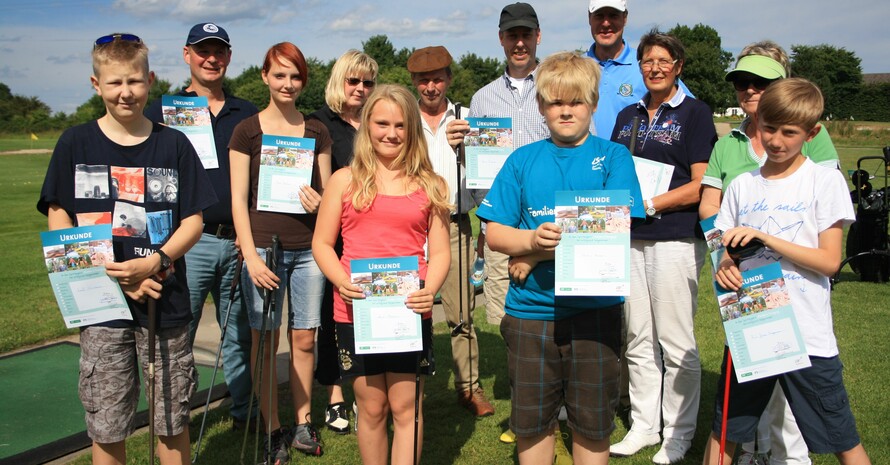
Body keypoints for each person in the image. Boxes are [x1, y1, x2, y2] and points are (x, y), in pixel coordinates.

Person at [38, 33, 216, 465]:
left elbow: (194, 219)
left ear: (150, 80)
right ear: (96, 84)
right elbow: (59, 213)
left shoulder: (173, 144)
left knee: (171, 421)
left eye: (135, 81)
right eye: (115, 82)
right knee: (108, 423)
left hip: (165, 300)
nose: (126, 92)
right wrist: (110, 274)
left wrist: (156, 261)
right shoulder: (75, 142)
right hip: (100, 305)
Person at [476, 50, 644, 465]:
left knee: (592, 425)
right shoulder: (522, 160)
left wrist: (532, 256)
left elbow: (610, 230)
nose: (566, 111)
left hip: (596, 311)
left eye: (576, 102)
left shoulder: (615, 158)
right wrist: (531, 241)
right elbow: (495, 234)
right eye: (556, 102)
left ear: (593, 104)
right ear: (541, 105)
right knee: (532, 425)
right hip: (531, 313)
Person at [704, 77, 872, 465]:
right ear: (757, 123)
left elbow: (830, 261)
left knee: (841, 435)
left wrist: (766, 239)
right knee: (725, 431)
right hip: (751, 326)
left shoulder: (824, 181)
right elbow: (723, 247)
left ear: (811, 133)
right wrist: (726, 264)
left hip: (808, 336)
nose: (777, 140)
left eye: (789, 132)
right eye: (769, 128)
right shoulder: (743, 185)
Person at [312, 84, 450, 465]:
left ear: (413, 130)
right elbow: (322, 244)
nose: (391, 133)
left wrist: (431, 289)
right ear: (366, 125)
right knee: (371, 409)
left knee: (407, 408)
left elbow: (440, 253)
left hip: (408, 310)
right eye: (382, 123)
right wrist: (339, 280)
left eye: (401, 125)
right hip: (356, 313)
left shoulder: (431, 184)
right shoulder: (343, 180)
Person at [609, 30, 717, 464]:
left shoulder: (695, 113)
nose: (654, 68)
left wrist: (650, 203)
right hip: (630, 238)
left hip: (673, 237)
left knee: (676, 342)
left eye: (663, 61)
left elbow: (701, 184)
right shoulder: (626, 116)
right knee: (637, 337)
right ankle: (644, 425)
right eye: (647, 61)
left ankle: (678, 432)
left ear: (678, 67)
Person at [145, 22, 259, 433]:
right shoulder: (163, 111)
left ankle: (245, 413)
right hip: (190, 242)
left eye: (219, 51)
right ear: (187, 55)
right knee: (179, 335)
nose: (212, 58)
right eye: (202, 51)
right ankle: (172, 419)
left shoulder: (246, 111)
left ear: (229, 56)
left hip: (240, 240)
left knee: (240, 335)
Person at [230, 42, 332, 464]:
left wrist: (320, 202)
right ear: (265, 77)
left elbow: (330, 197)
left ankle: (304, 422)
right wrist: (250, 257)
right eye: (280, 75)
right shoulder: (247, 131)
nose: (288, 83)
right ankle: (273, 428)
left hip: (308, 250)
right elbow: (238, 200)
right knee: (265, 341)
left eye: (295, 76)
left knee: (305, 337)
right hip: (262, 251)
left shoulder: (316, 130)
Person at [447, 1, 549, 328]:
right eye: (512, 35)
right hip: (501, 225)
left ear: (538, 36)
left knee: (549, 314)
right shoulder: (482, 98)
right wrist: (487, 217)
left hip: (545, 222)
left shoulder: (557, 87)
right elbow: (476, 168)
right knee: (505, 317)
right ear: (501, 39)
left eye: (526, 34)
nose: (519, 42)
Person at [406, 45, 495, 417]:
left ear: (449, 78)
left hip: (454, 224)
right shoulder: (403, 117)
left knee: (461, 314)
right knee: (406, 312)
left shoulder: (469, 118)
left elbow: (487, 178)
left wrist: (471, 145)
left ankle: (468, 387)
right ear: (414, 82)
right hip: (408, 229)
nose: (430, 87)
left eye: (437, 78)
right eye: (423, 80)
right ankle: (407, 388)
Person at [308, 49, 378, 434]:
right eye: (353, 80)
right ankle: (335, 396)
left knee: (364, 312)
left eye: (368, 82)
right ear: (339, 81)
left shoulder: (376, 122)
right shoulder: (317, 123)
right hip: (330, 236)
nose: (361, 88)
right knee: (330, 317)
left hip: (370, 237)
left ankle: (363, 389)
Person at [585, 0, 692, 139]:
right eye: (599, 16)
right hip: (582, 159)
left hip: (631, 159)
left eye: (613, 15)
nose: (606, 23)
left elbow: (689, 112)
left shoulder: (648, 66)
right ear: (589, 18)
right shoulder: (574, 67)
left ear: (625, 18)